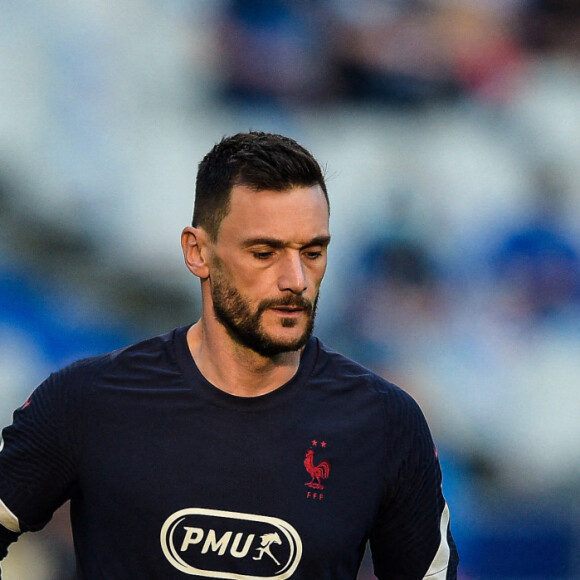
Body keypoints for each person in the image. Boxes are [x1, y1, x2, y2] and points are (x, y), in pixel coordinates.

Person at [0, 132, 458, 579]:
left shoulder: (385, 423)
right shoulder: (86, 401)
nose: (296, 279)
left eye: (313, 252)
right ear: (197, 252)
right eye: (264, 252)